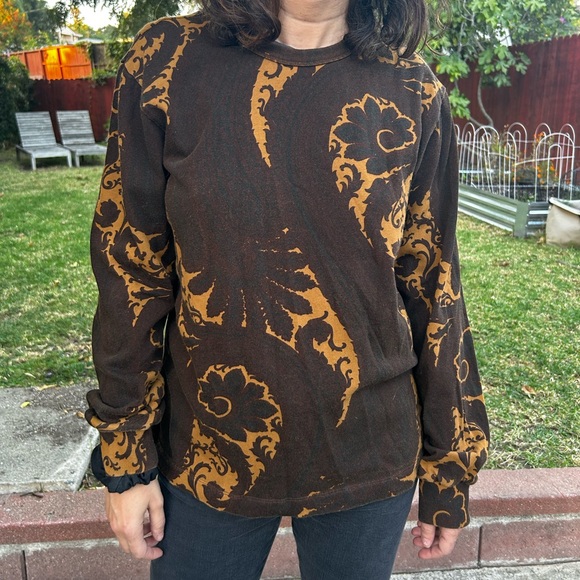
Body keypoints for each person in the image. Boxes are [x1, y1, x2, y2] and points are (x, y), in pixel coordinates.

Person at [86, 0, 490, 578]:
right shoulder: (168, 59)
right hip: (207, 447)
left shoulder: (412, 89)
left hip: (368, 453)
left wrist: (450, 464)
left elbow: (433, 280)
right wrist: (126, 456)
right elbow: (130, 264)